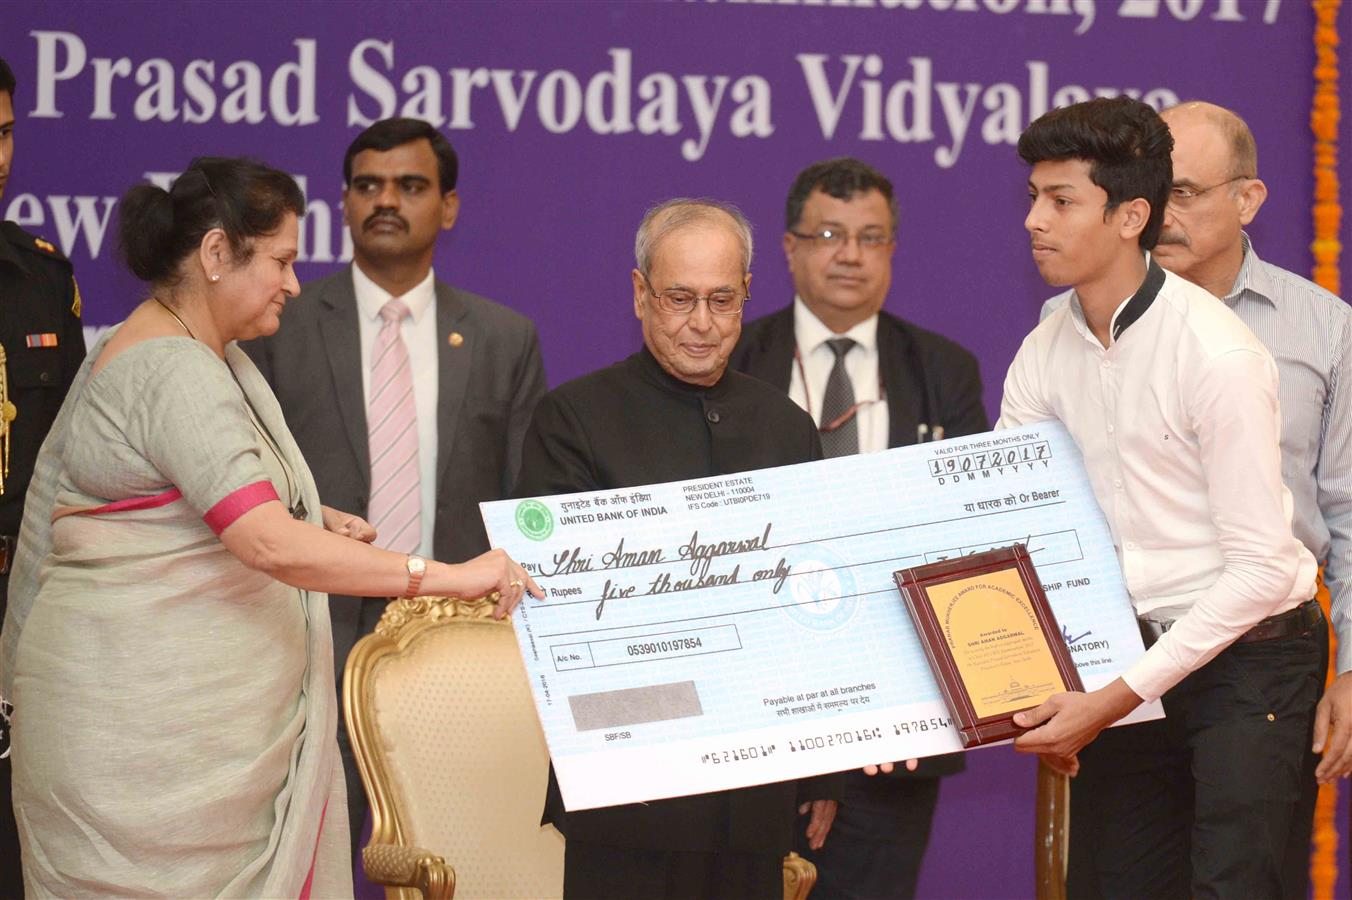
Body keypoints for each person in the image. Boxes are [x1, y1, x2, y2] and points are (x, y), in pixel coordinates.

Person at [1, 156, 539, 898]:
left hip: (161, 752)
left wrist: (307, 510)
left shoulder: (181, 348)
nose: (293, 281)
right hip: (143, 766)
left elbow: (182, 494)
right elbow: (263, 542)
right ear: (217, 254)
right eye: (281, 260)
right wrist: (446, 574)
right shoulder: (174, 369)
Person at [1000, 96, 1322, 898]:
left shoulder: (1218, 355)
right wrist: (1062, 691)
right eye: (1033, 197)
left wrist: (1108, 698)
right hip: (1129, 656)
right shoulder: (1042, 352)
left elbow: (1258, 570)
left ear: (1129, 215)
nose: (1035, 221)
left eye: (1061, 200)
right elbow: (1021, 535)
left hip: (1253, 661)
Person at [515, 198, 841, 899]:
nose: (702, 323)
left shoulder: (785, 427)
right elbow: (562, 604)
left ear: (749, 295)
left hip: (754, 786)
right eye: (680, 299)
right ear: (640, 294)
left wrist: (821, 764)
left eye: (723, 300)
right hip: (629, 786)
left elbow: (813, 598)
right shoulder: (573, 420)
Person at [243, 117, 547, 858]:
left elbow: (523, 503)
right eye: (368, 185)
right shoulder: (276, 326)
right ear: (342, 203)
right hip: (310, 635)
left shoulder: (505, 339)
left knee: (460, 857)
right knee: (308, 855)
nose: (387, 201)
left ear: (448, 206)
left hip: (458, 644)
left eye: (411, 186)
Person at [730, 157, 986, 899]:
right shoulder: (733, 361)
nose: (850, 254)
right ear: (789, 246)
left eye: (870, 238)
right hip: (756, 710)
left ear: (892, 251)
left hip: (897, 716)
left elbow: (962, 538)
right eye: (830, 233)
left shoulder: (943, 370)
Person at [0, 54, 87, 900]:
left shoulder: (41, 277)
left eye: (3, 133)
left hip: (19, 599)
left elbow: (70, 450)